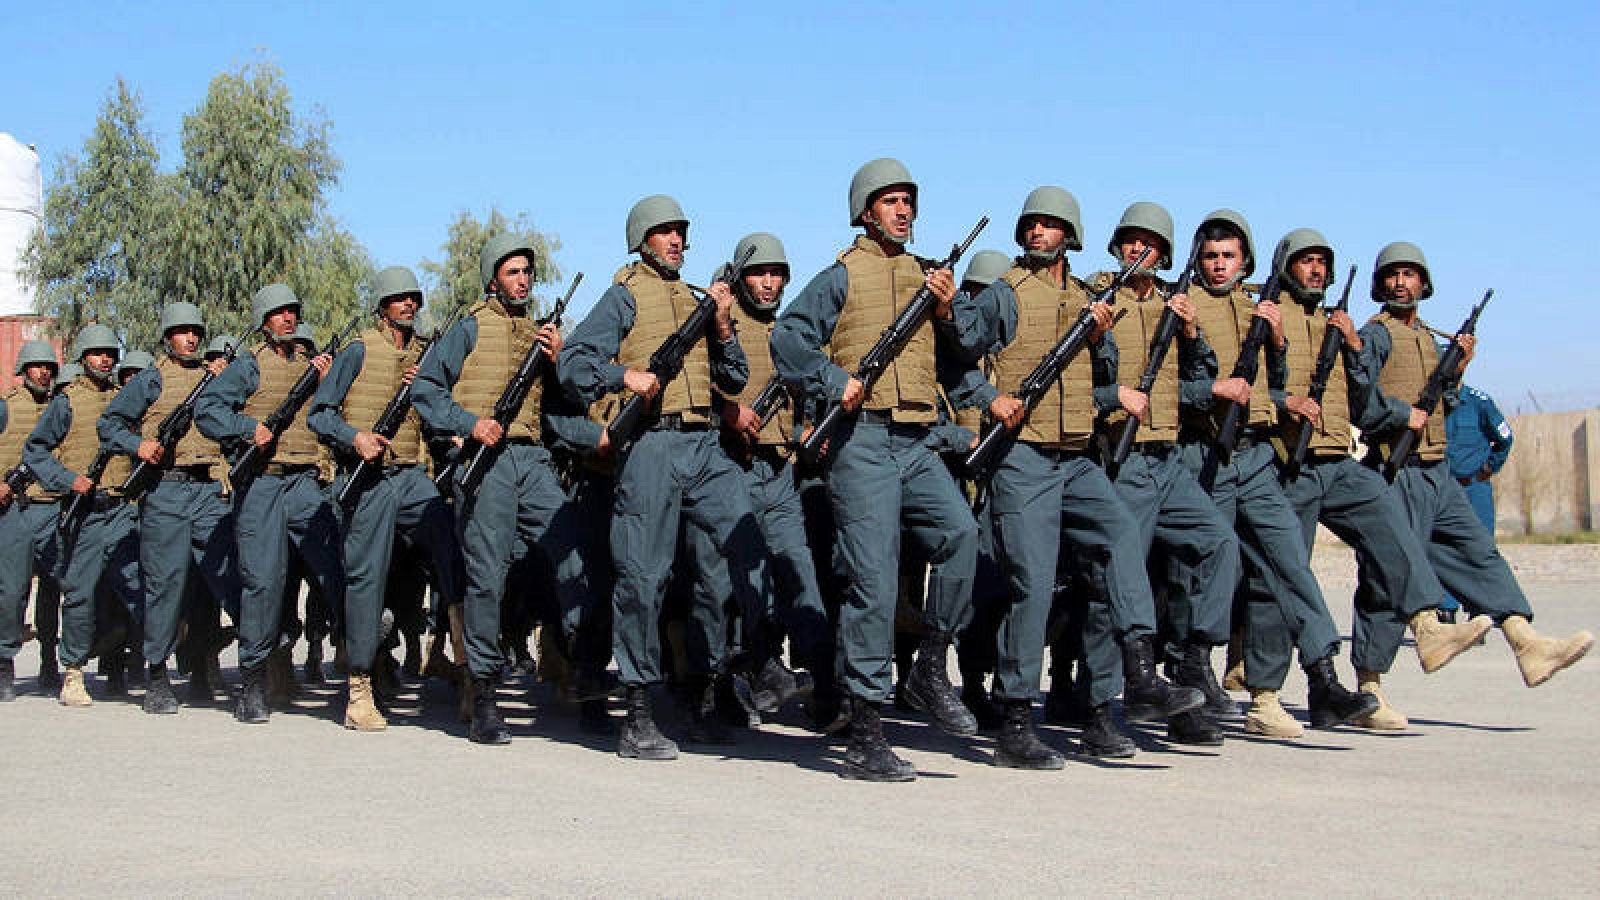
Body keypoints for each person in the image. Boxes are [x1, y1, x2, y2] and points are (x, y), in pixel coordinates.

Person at [952, 187, 1204, 766]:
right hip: (1023, 458)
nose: (1038, 232)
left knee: (1120, 540)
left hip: (1079, 456)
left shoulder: (1089, 299)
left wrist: (1100, 337)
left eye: (1050, 224)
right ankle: (1015, 717)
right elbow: (954, 354)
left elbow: (1103, 377)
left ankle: (1140, 672)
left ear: (1071, 235)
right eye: (1032, 225)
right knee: (1032, 586)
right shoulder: (1003, 295)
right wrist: (988, 398)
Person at [770, 159, 981, 781]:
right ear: (866, 210)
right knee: (874, 581)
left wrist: (946, 313)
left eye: (908, 201)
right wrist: (834, 380)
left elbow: (959, 356)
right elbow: (788, 342)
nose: (903, 210)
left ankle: (929, 667)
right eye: (890, 201)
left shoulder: (928, 279)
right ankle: (865, 732)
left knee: (961, 537)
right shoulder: (840, 276)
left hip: (916, 442)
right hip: (860, 443)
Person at [1242, 231, 1489, 736]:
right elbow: (1240, 382)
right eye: (1304, 261)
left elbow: (1367, 407)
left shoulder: (1334, 321)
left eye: (1320, 263)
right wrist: (1283, 391)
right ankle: (1265, 697)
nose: (1314, 270)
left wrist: (1353, 349)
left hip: (1337, 460)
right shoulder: (1265, 313)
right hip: (1287, 466)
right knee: (1279, 578)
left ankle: (1423, 625)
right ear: (1286, 267)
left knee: (1388, 519)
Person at [562, 195, 770, 759]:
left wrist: (724, 326)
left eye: (680, 231)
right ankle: (637, 711)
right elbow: (573, 361)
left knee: (747, 540)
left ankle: (751, 665)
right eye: (664, 232)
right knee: (644, 579)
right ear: (641, 239)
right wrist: (623, 375)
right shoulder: (624, 295)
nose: (676, 240)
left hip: (704, 443)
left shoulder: (702, 299)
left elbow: (734, 376)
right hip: (651, 445)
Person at [1170, 210, 1377, 728]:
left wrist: (1279, 342)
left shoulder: (1257, 307)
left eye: (1229, 257)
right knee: (1207, 575)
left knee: (1292, 567)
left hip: (1259, 457)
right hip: (1205, 454)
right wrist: (1210, 384)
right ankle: (1193, 674)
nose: (1219, 266)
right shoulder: (1180, 308)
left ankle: (1324, 679)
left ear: (1246, 261)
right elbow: (1163, 388)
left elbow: (1276, 382)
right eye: (1211, 257)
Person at [1356, 242, 1592, 687]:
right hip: (1397, 470)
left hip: (1437, 471)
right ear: (1380, 283)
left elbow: (1442, 403)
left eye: (1410, 275)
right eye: (1393, 275)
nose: (1401, 283)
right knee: (1389, 575)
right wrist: (1402, 414)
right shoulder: (1376, 336)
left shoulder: (1428, 338)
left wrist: (1458, 370)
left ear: (1424, 284)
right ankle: (1370, 685)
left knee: (1479, 554)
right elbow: (1358, 401)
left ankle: (1527, 642)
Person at [413, 235, 579, 745]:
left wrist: (561, 361)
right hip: (487, 462)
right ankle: (482, 690)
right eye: (512, 272)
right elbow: (424, 389)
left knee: (575, 555)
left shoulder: (542, 334)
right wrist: (468, 423)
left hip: (534, 459)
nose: (523, 279)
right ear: (492, 279)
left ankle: (579, 664)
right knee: (486, 579)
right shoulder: (468, 328)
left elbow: (564, 403)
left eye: (527, 271)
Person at [1093, 201, 1243, 746]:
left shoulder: (1172, 306)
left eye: (1150, 243)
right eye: (1131, 240)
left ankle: (1193, 666)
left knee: (1218, 545)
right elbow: (1064, 388)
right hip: (1122, 460)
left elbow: (1202, 381)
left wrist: (1195, 333)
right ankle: (1101, 708)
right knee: (1118, 582)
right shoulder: (1097, 296)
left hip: (1170, 460)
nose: (1139, 249)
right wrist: (1113, 392)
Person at [310, 266, 465, 731]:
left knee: (453, 555)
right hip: (369, 478)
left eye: (413, 298)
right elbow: (320, 415)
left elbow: (436, 416)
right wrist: (355, 437)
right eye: (398, 299)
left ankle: (469, 671)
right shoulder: (358, 351)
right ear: (382, 306)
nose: (408, 305)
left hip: (414, 477)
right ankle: (359, 687)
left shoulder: (425, 355)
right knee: (366, 580)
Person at [195, 283, 345, 725]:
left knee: (337, 563)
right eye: (279, 313)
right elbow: (207, 410)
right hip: (262, 482)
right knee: (262, 582)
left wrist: (328, 380)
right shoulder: (247, 367)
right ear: (264, 322)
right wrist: (247, 428)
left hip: (304, 482)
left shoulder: (310, 367)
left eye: (292, 312)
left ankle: (358, 654)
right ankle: (253, 681)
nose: (288, 319)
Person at [99, 302, 242, 715]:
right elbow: (109, 425)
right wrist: (138, 445)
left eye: (196, 331)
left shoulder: (216, 379)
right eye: (182, 331)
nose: (191, 338)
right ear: (167, 337)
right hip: (165, 492)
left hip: (209, 490)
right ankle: (158, 674)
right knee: (165, 586)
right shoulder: (150, 380)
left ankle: (235, 664)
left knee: (225, 579)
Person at [23, 325, 142, 707]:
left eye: (110, 353)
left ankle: (132, 658)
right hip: (85, 512)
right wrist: (68, 479)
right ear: (83, 359)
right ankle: (72, 672)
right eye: (96, 354)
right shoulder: (66, 403)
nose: (104, 359)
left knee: (140, 586)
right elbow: (35, 451)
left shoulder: (128, 398)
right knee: (80, 594)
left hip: (122, 508)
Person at [0, 340, 63, 701]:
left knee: (56, 590)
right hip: (16, 510)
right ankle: (5, 660)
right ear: (23, 371)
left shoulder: (61, 407)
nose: (43, 373)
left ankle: (49, 661)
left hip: (54, 509)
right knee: (12, 591)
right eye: (36, 367)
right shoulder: (6, 408)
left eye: (48, 367)